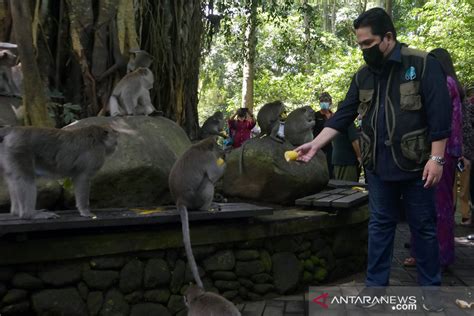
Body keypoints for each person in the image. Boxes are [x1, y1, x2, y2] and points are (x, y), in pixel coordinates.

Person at [295, 8, 451, 311]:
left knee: (424, 227)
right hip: (378, 167)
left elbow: (439, 114)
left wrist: (438, 158)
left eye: (368, 43)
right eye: (359, 44)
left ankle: (431, 293)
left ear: (388, 38)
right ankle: (375, 289)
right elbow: (343, 115)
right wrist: (314, 145)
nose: (363, 50)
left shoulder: (421, 64)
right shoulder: (363, 75)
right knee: (380, 226)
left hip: (417, 166)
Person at [404, 48, 464, 269]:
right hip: (449, 151)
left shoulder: (444, 83)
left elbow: (434, 116)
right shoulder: (452, 83)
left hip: (439, 152)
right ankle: (435, 254)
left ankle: (436, 256)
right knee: (440, 203)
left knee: (434, 204)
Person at [331, 102, 362, 182]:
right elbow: (354, 141)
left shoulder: (334, 122)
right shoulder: (348, 122)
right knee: (349, 187)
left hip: (336, 160)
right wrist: (359, 157)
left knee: (339, 187)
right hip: (348, 161)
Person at [313, 92, 334, 178]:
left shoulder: (333, 115)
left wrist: (329, 117)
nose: (324, 102)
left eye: (326, 100)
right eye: (322, 101)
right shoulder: (315, 115)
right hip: (318, 146)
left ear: (330, 102)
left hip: (330, 146)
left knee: (330, 168)